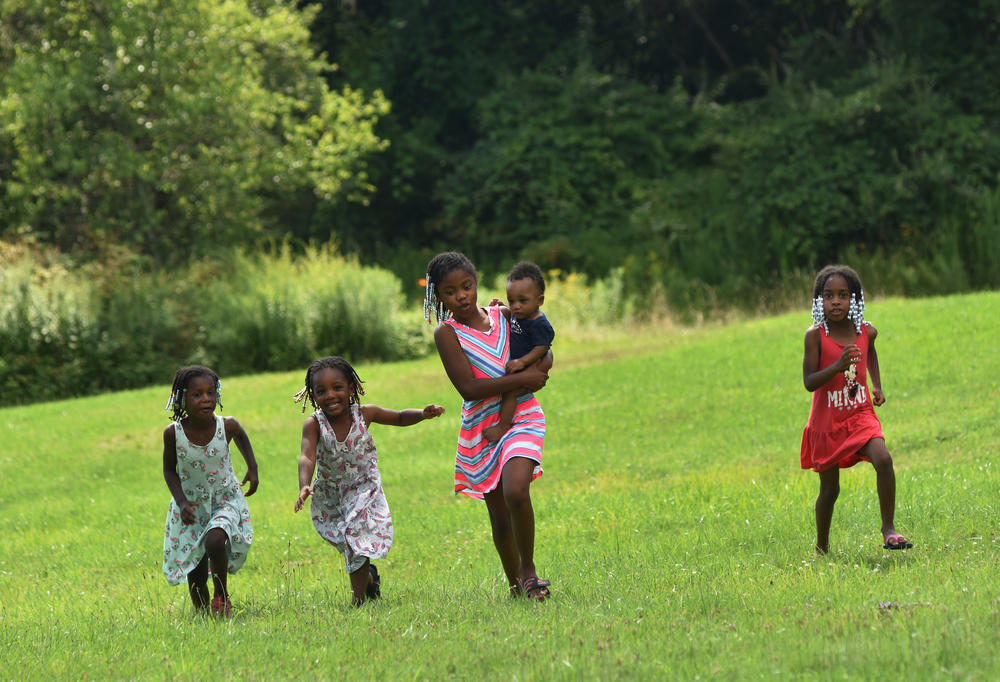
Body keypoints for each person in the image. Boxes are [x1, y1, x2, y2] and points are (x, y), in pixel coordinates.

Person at [424, 251, 553, 600]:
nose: (461, 296)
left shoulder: (506, 314)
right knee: (499, 517)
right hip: (482, 428)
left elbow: (544, 345)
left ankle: (529, 572)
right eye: (450, 292)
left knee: (516, 490)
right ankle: (515, 587)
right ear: (439, 297)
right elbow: (469, 388)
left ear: (476, 283)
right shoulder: (446, 334)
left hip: (523, 416)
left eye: (467, 286)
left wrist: (539, 369)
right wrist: (522, 378)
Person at [293, 356, 444, 606]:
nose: (330, 395)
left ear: (351, 388)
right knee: (351, 545)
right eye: (321, 391)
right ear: (312, 395)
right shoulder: (314, 424)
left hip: (364, 488)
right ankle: (369, 580)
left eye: (337, 388)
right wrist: (304, 485)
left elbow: (398, 417)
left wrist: (422, 414)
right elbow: (307, 456)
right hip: (331, 494)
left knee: (355, 535)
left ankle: (358, 601)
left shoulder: (364, 414)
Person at [800, 265, 912, 554]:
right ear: (818, 301)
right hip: (827, 423)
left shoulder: (865, 331)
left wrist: (877, 385)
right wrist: (837, 366)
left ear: (855, 300)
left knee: (884, 459)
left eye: (843, 295)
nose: (835, 301)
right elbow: (809, 382)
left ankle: (888, 529)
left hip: (860, 413)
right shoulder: (814, 336)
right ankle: (821, 546)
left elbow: (870, 350)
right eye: (828, 296)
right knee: (830, 491)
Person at [162, 365, 258, 616]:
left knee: (215, 539)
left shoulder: (226, 425)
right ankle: (205, 615)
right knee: (194, 572)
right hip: (191, 507)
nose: (206, 399)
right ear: (182, 398)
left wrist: (252, 468)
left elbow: (241, 436)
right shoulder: (173, 433)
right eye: (197, 394)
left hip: (225, 499)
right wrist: (182, 502)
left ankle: (222, 595)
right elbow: (169, 471)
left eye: (210, 393)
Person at [483, 261, 555, 443]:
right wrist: (501, 306)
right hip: (523, 361)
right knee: (509, 389)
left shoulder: (538, 322)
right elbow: (512, 317)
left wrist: (523, 362)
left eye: (522, 301)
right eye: (511, 301)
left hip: (533, 363)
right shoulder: (521, 313)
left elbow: (543, 346)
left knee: (510, 392)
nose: (516, 306)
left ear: (539, 301)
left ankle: (503, 426)